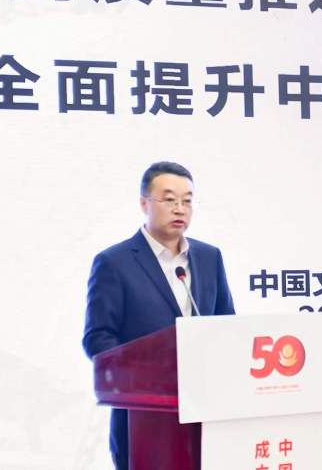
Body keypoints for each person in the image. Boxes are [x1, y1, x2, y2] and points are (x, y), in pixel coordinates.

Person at [82, 161, 235, 469]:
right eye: (169, 199)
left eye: (187, 201)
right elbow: (98, 338)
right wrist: (146, 373)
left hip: (206, 413)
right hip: (144, 418)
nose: (180, 209)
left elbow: (227, 326)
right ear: (144, 204)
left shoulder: (209, 257)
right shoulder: (114, 262)